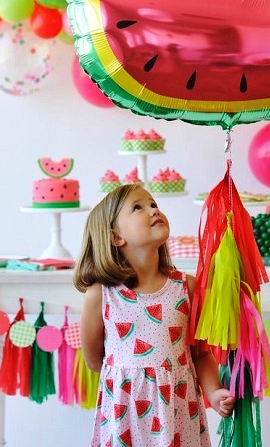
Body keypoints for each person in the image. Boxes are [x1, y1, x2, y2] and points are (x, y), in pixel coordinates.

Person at [74, 184, 235, 446]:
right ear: (116, 237)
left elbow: (201, 354)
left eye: (153, 204)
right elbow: (95, 361)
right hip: (125, 416)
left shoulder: (186, 287)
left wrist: (214, 392)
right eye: (138, 207)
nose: (152, 210)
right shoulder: (100, 295)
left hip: (179, 413)